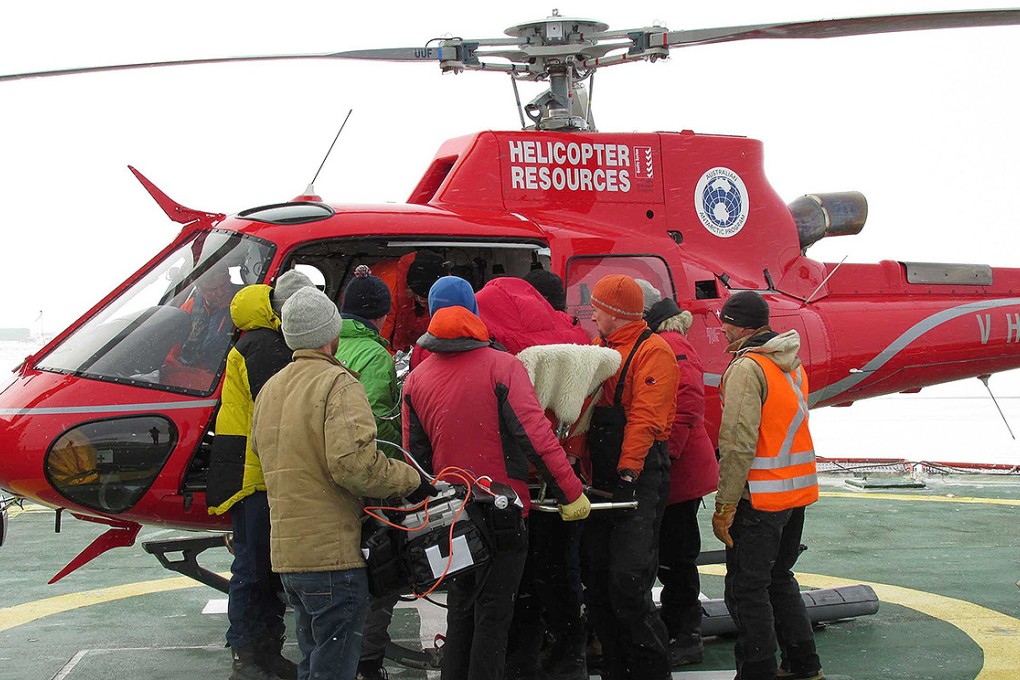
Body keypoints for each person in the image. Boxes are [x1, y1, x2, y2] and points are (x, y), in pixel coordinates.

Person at [402, 290, 591, 680]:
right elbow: (536, 437)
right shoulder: (502, 367)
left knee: (461, 609)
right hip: (501, 510)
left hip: (451, 515)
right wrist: (570, 493)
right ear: (475, 317)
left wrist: (424, 510)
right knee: (494, 615)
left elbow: (414, 459)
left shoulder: (417, 379)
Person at [251, 286, 435, 680]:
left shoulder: (270, 390)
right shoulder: (338, 384)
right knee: (334, 666)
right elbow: (354, 465)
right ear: (331, 334)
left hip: (289, 554)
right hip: (332, 554)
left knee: (314, 658)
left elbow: (264, 458)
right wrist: (411, 481)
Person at [474, 275, 592, 680]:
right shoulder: (573, 336)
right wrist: (570, 484)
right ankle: (568, 650)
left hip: (512, 484)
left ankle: (523, 655)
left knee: (518, 575)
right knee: (560, 570)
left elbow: (528, 431)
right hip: (562, 474)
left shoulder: (499, 356)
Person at [711, 291, 823, 680]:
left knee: (747, 589)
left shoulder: (747, 368)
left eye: (724, 321)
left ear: (740, 325)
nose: (721, 328)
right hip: (794, 495)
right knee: (778, 579)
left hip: (758, 499)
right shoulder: (791, 365)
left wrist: (725, 505)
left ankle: (757, 672)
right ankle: (804, 664)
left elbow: (738, 442)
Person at [206, 272, 313, 680]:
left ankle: (258, 654)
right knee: (255, 569)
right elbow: (282, 408)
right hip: (256, 473)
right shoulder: (267, 347)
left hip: (245, 468)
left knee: (257, 567)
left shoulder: (248, 342)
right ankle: (251, 655)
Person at [583, 274, 679, 680]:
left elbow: (644, 419)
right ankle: (616, 670)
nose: (591, 313)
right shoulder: (598, 349)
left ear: (615, 313)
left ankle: (652, 671)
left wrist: (627, 471)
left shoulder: (654, 352)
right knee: (598, 581)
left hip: (637, 475)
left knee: (628, 584)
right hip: (602, 475)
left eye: (597, 308)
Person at [635, 279, 718, 668]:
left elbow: (686, 404)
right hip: (677, 470)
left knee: (676, 554)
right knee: (673, 553)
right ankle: (678, 627)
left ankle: (685, 633)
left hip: (677, 474)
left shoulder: (669, 346)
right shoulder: (669, 341)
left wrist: (662, 456)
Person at [375, 250, 447, 353]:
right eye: (420, 297)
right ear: (409, 288)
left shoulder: (447, 287)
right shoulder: (387, 288)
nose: (423, 301)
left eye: (428, 300)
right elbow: (379, 339)